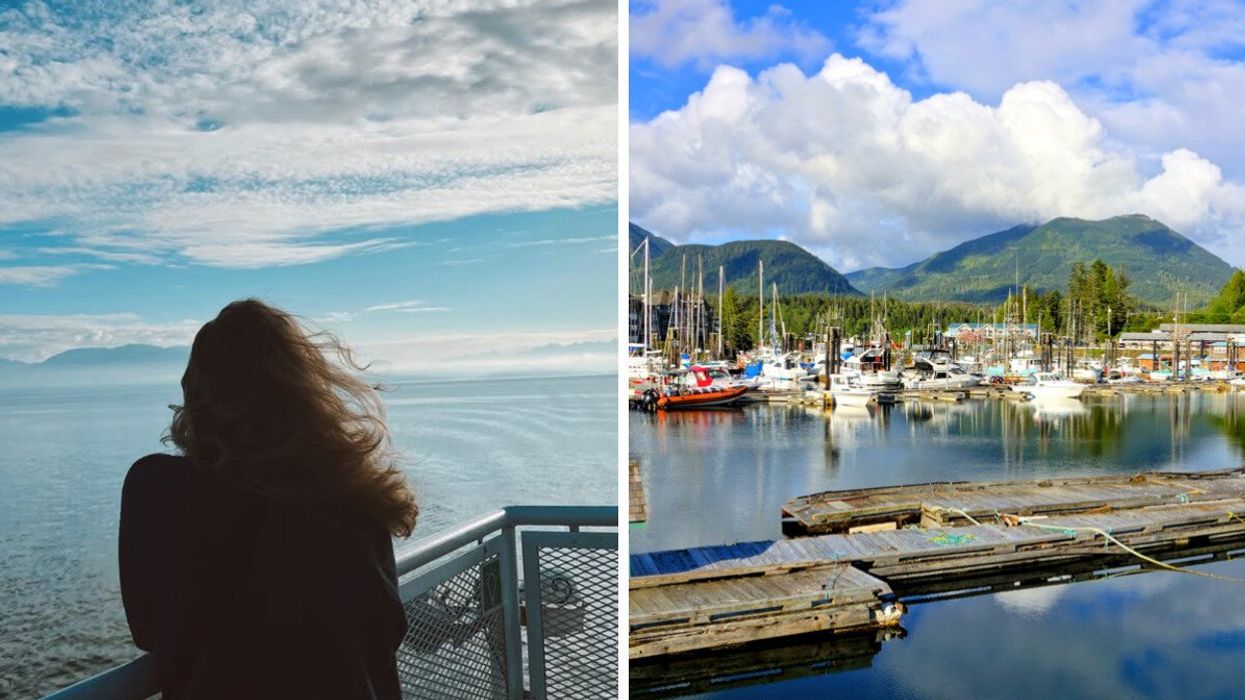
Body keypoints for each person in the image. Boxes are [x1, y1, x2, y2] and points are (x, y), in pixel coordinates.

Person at [119, 299, 419, 699]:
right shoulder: (351, 495)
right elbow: (383, 629)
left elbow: (147, 630)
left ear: (196, 392)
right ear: (305, 390)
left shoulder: (156, 488)